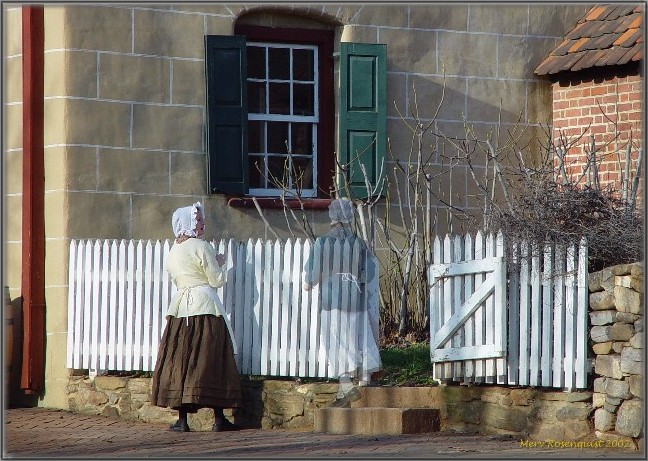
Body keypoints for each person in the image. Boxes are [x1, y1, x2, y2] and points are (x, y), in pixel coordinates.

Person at [151, 202, 243, 432]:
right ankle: (219, 419)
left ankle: (182, 420)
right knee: (212, 359)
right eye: (199, 220)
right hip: (204, 308)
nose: (203, 223)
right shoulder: (202, 247)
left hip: (181, 311)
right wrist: (220, 264)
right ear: (189, 223)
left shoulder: (173, 251)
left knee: (181, 359)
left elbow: (176, 278)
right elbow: (217, 280)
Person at [303, 198, 381, 402]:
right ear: (350, 217)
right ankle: (365, 375)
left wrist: (309, 282)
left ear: (331, 217)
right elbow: (369, 273)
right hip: (355, 299)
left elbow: (313, 273)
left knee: (336, 340)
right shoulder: (359, 243)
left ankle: (345, 382)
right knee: (360, 336)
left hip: (331, 301)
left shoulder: (322, 243)